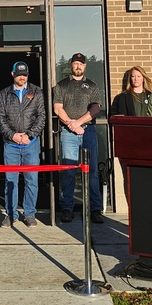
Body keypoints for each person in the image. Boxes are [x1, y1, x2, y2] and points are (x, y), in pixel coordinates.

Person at [0, 61, 45, 228]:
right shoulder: (3, 94)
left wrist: (29, 135)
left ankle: (29, 214)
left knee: (32, 180)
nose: (22, 77)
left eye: (25, 74)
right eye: (19, 74)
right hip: (11, 144)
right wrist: (13, 135)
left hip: (31, 143)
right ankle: (11, 214)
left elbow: (41, 117)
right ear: (13, 74)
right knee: (11, 181)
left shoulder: (36, 92)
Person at [53, 52, 104, 224]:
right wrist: (71, 124)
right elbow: (57, 108)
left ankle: (95, 209)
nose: (78, 66)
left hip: (88, 131)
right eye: (75, 63)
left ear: (85, 66)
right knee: (68, 170)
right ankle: (67, 207)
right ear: (71, 65)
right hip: (68, 133)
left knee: (92, 171)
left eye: (81, 64)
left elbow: (95, 109)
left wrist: (79, 123)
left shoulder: (92, 86)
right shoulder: (61, 86)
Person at [109, 66, 152, 205]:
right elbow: (114, 118)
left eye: (139, 76)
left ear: (144, 78)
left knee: (147, 178)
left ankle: (148, 206)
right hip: (129, 144)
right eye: (133, 76)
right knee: (129, 178)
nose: (136, 79)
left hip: (148, 144)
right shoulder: (122, 98)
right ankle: (133, 209)